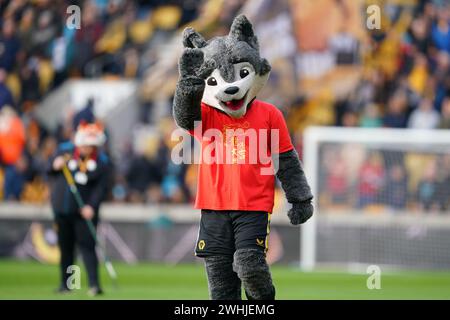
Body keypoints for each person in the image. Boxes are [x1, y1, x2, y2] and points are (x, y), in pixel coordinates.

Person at [47, 121, 110, 296]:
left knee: (87, 247)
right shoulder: (64, 151)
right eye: (86, 145)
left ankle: (94, 285)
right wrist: (55, 164)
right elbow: (49, 170)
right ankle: (69, 284)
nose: (88, 149)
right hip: (62, 209)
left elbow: (102, 187)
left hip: (85, 212)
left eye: (92, 146)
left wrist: (92, 206)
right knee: (66, 248)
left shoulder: (102, 160)